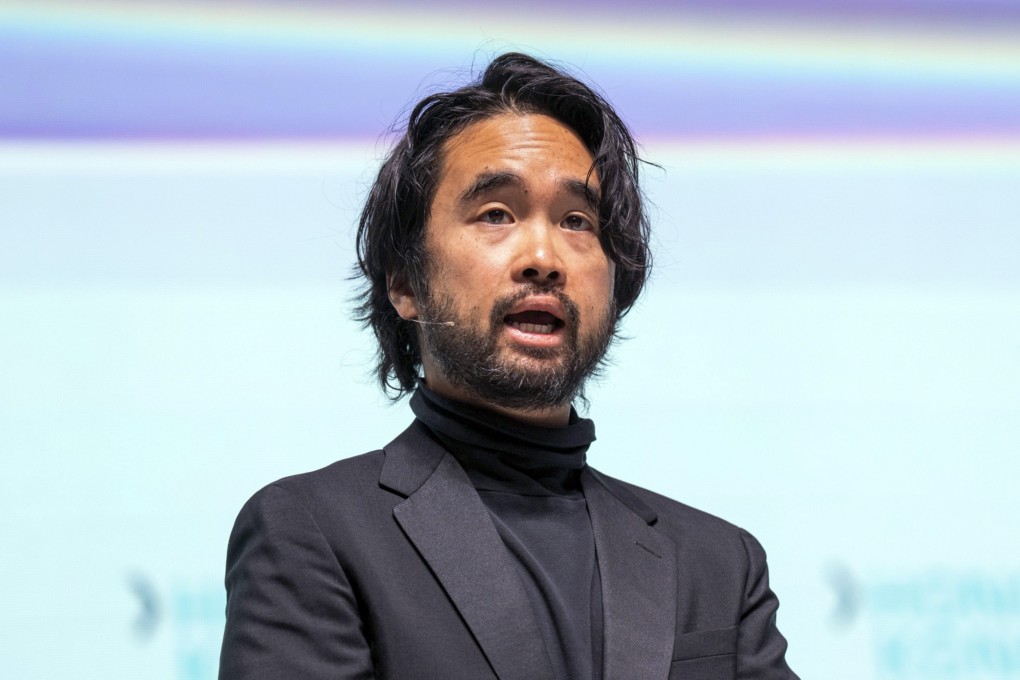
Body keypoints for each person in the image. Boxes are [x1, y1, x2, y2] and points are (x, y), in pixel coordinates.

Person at [219, 52, 798, 680]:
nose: (544, 256)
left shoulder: (718, 562)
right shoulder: (314, 532)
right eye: (496, 213)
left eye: (578, 221)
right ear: (405, 281)